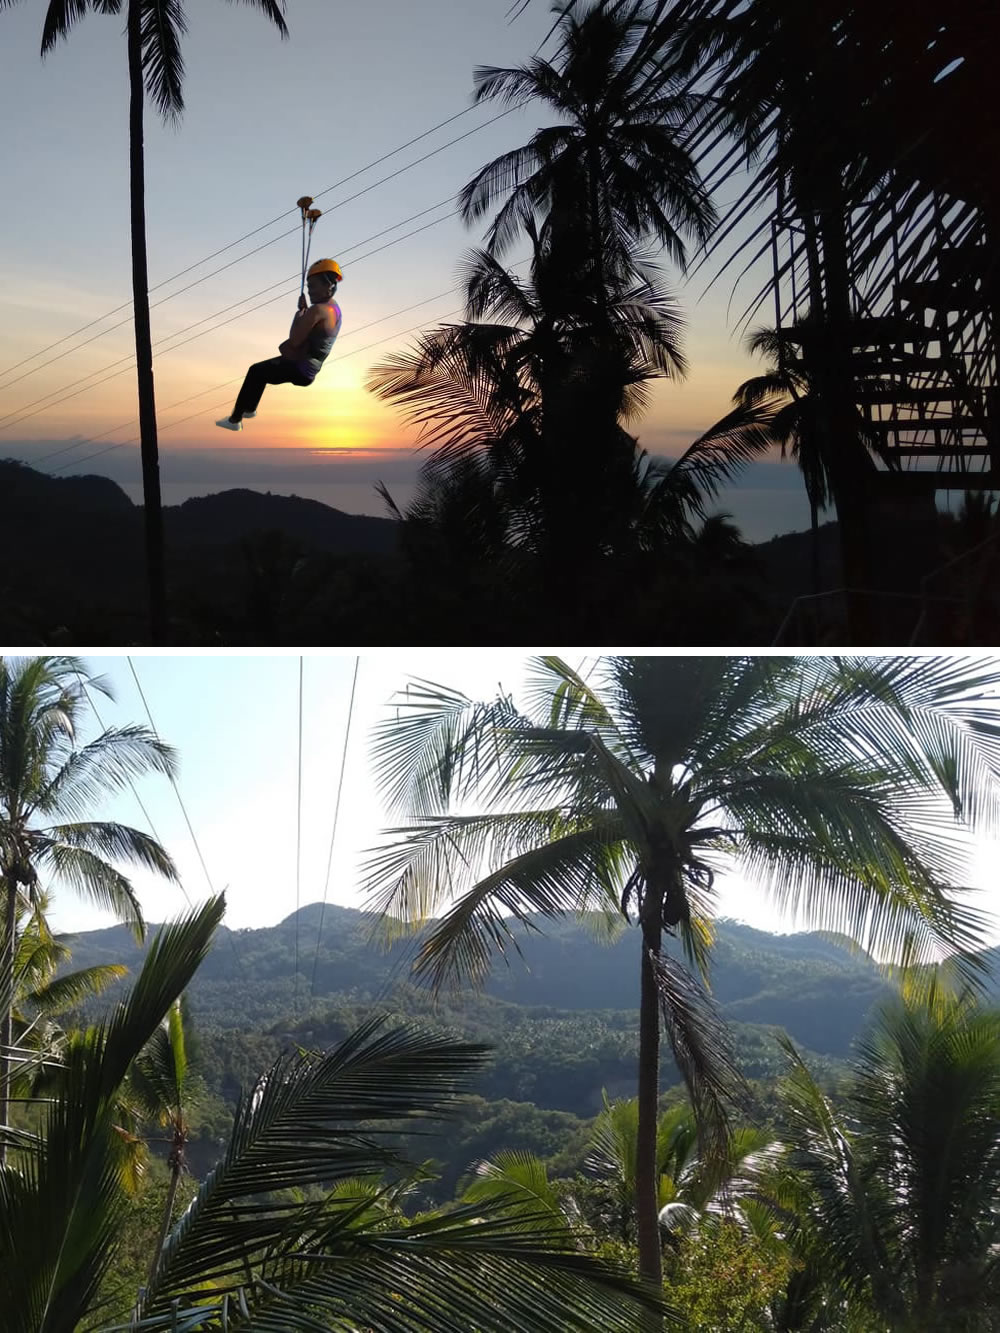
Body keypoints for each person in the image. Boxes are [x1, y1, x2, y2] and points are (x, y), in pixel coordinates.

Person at [216, 258, 343, 430]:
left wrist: (299, 314)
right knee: (261, 372)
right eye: (308, 287)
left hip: (299, 368)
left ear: (329, 285)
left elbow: (295, 340)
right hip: (310, 368)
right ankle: (249, 409)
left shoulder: (317, 310)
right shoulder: (334, 309)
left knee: (256, 371)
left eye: (313, 286)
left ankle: (235, 420)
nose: (310, 291)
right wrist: (305, 313)